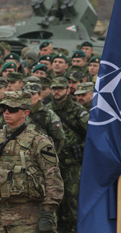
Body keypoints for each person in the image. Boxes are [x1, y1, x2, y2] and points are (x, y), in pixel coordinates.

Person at [0, 91, 64, 233]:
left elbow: (53, 178)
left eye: (12, 109)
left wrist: (47, 213)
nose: (7, 112)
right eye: (4, 109)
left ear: (25, 113)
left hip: (28, 219)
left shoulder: (38, 141)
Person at [46, 77, 89, 233]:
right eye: (54, 88)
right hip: (52, 164)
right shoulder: (47, 110)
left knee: (73, 203)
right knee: (53, 203)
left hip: (73, 165)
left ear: (68, 90)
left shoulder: (78, 111)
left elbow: (92, 136)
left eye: (60, 89)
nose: (56, 92)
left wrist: (80, 149)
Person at [23, 83, 65, 153]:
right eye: (26, 94)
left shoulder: (48, 114)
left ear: (40, 96)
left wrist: (50, 157)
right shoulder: (18, 112)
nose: (28, 97)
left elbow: (59, 139)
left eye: (32, 94)